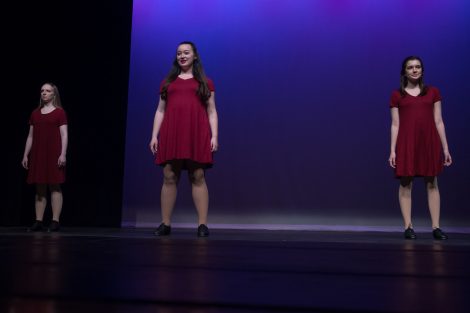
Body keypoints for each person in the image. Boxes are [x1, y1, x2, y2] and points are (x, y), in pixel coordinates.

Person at [149, 41, 218, 237]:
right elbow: (160, 110)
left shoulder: (205, 82)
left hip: (196, 132)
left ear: (195, 56)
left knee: (197, 176)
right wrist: (154, 135)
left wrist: (215, 136)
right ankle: (165, 223)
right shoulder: (167, 82)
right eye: (179, 53)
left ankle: (202, 224)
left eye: (186, 52)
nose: (182, 56)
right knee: (169, 175)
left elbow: (212, 111)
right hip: (173, 132)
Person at [388, 56, 452, 240]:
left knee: (432, 183)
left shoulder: (433, 92)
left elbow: (439, 121)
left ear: (422, 70)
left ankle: (436, 227)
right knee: (406, 183)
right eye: (410, 67)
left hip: (428, 141)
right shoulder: (397, 95)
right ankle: (408, 226)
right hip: (407, 142)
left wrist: (445, 148)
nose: (415, 70)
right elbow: (395, 124)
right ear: (405, 71)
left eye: (418, 67)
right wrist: (392, 150)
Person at [22, 83, 68, 232]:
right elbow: (30, 136)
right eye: (42, 90)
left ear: (54, 94)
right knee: (39, 186)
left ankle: (55, 221)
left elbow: (64, 135)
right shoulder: (35, 113)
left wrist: (63, 153)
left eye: (48, 91)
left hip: (54, 154)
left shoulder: (60, 113)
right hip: (38, 154)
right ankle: (39, 221)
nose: (44, 93)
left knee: (55, 185)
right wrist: (25, 154)